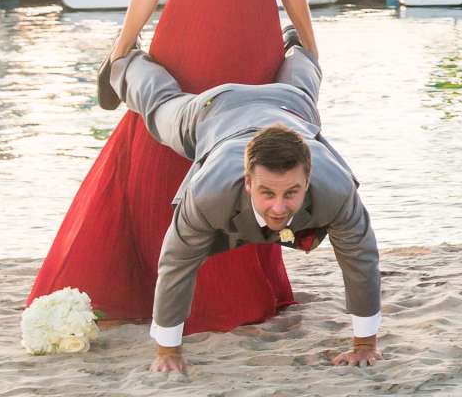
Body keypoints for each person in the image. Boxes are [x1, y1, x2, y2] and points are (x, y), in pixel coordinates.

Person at [28, 0, 317, 336]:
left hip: (252, 49)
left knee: (242, 156)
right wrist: (121, 50)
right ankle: (156, 286)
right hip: (183, 46)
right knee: (160, 156)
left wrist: (311, 52)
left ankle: (238, 288)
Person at [96, 33, 380, 373]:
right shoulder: (208, 193)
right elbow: (176, 264)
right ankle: (126, 62)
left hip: (291, 103)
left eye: (291, 192)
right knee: (159, 108)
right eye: (267, 193)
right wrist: (167, 351)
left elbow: (361, 259)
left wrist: (364, 345)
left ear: (308, 179)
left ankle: (298, 48)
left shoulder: (336, 190)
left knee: (305, 85)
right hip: (214, 111)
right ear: (247, 182)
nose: (278, 207)